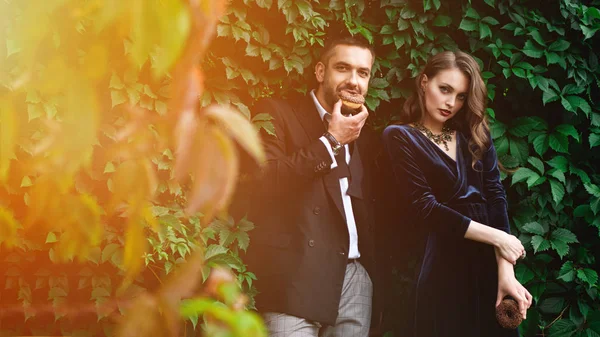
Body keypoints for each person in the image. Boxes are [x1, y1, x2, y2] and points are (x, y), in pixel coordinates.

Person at [381, 50, 533, 337]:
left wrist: (505, 271)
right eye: (445, 89)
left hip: (488, 262)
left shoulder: (475, 135)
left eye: (461, 96)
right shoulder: (399, 136)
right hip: (440, 262)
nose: (451, 103)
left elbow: (495, 197)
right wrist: (499, 238)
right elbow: (424, 207)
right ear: (425, 82)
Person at [243, 35, 378, 337]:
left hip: (353, 277)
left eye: (363, 72)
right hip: (295, 274)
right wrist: (331, 141)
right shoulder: (277, 113)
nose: (353, 81)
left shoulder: (367, 135)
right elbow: (264, 181)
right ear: (320, 72)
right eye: (343, 68)